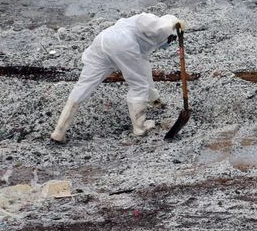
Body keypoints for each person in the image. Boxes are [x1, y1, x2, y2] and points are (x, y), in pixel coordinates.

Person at [49, 13, 183, 142]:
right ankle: (140, 128)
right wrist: (177, 24)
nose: (170, 42)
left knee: (83, 85)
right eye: (172, 39)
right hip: (122, 43)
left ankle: (59, 131)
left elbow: (145, 69)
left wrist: (155, 99)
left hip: (103, 41)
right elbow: (159, 25)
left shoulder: (145, 40)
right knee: (139, 85)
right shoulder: (158, 23)